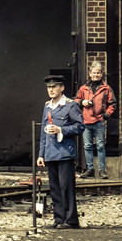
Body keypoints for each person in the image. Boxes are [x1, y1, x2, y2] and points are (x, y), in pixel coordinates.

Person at [36, 73, 84, 229]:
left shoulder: (71, 105)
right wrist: (41, 154)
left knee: (66, 187)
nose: (51, 90)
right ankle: (59, 219)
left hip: (64, 153)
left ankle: (70, 220)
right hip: (51, 153)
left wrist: (60, 129)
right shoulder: (47, 106)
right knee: (55, 188)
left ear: (62, 88)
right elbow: (44, 131)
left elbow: (79, 126)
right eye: (48, 87)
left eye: (54, 87)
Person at [76, 62, 117, 179]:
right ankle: (90, 169)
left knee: (100, 146)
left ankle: (102, 170)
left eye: (98, 73)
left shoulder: (106, 88)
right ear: (90, 74)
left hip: (99, 121)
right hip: (86, 120)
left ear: (101, 74)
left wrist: (106, 115)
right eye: (94, 72)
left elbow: (112, 104)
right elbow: (75, 100)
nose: (96, 75)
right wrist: (82, 102)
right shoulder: (83, 89)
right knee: (87, 146)